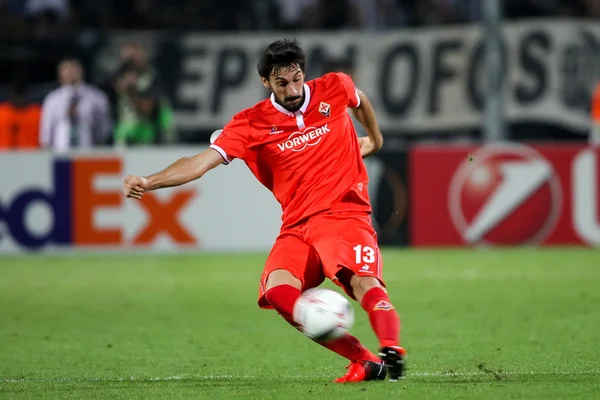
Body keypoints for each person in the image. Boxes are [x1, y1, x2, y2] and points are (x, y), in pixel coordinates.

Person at [122, 38, 406, 383]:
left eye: (297, 78)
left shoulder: (334, 86)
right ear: (266, 83)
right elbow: (198, 164)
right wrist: (150, 182)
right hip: (297, 226)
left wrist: (375, 139)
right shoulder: (251, 123)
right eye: (282, 83)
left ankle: (391, 346)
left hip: (343, 215)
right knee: (278, 291)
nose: (292, 89)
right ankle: (362, 360)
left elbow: (359, 101)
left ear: (304, 72)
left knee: (363, 282)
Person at [39, 58, 112, 152]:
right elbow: (46, 134)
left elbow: (103, 131)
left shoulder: (96, 97)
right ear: (60, 74)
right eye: (66, 68)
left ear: (81, 70)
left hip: (88, 154)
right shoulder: (52, 100)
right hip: (60, 157)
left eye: (73, 67)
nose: (70, 71)